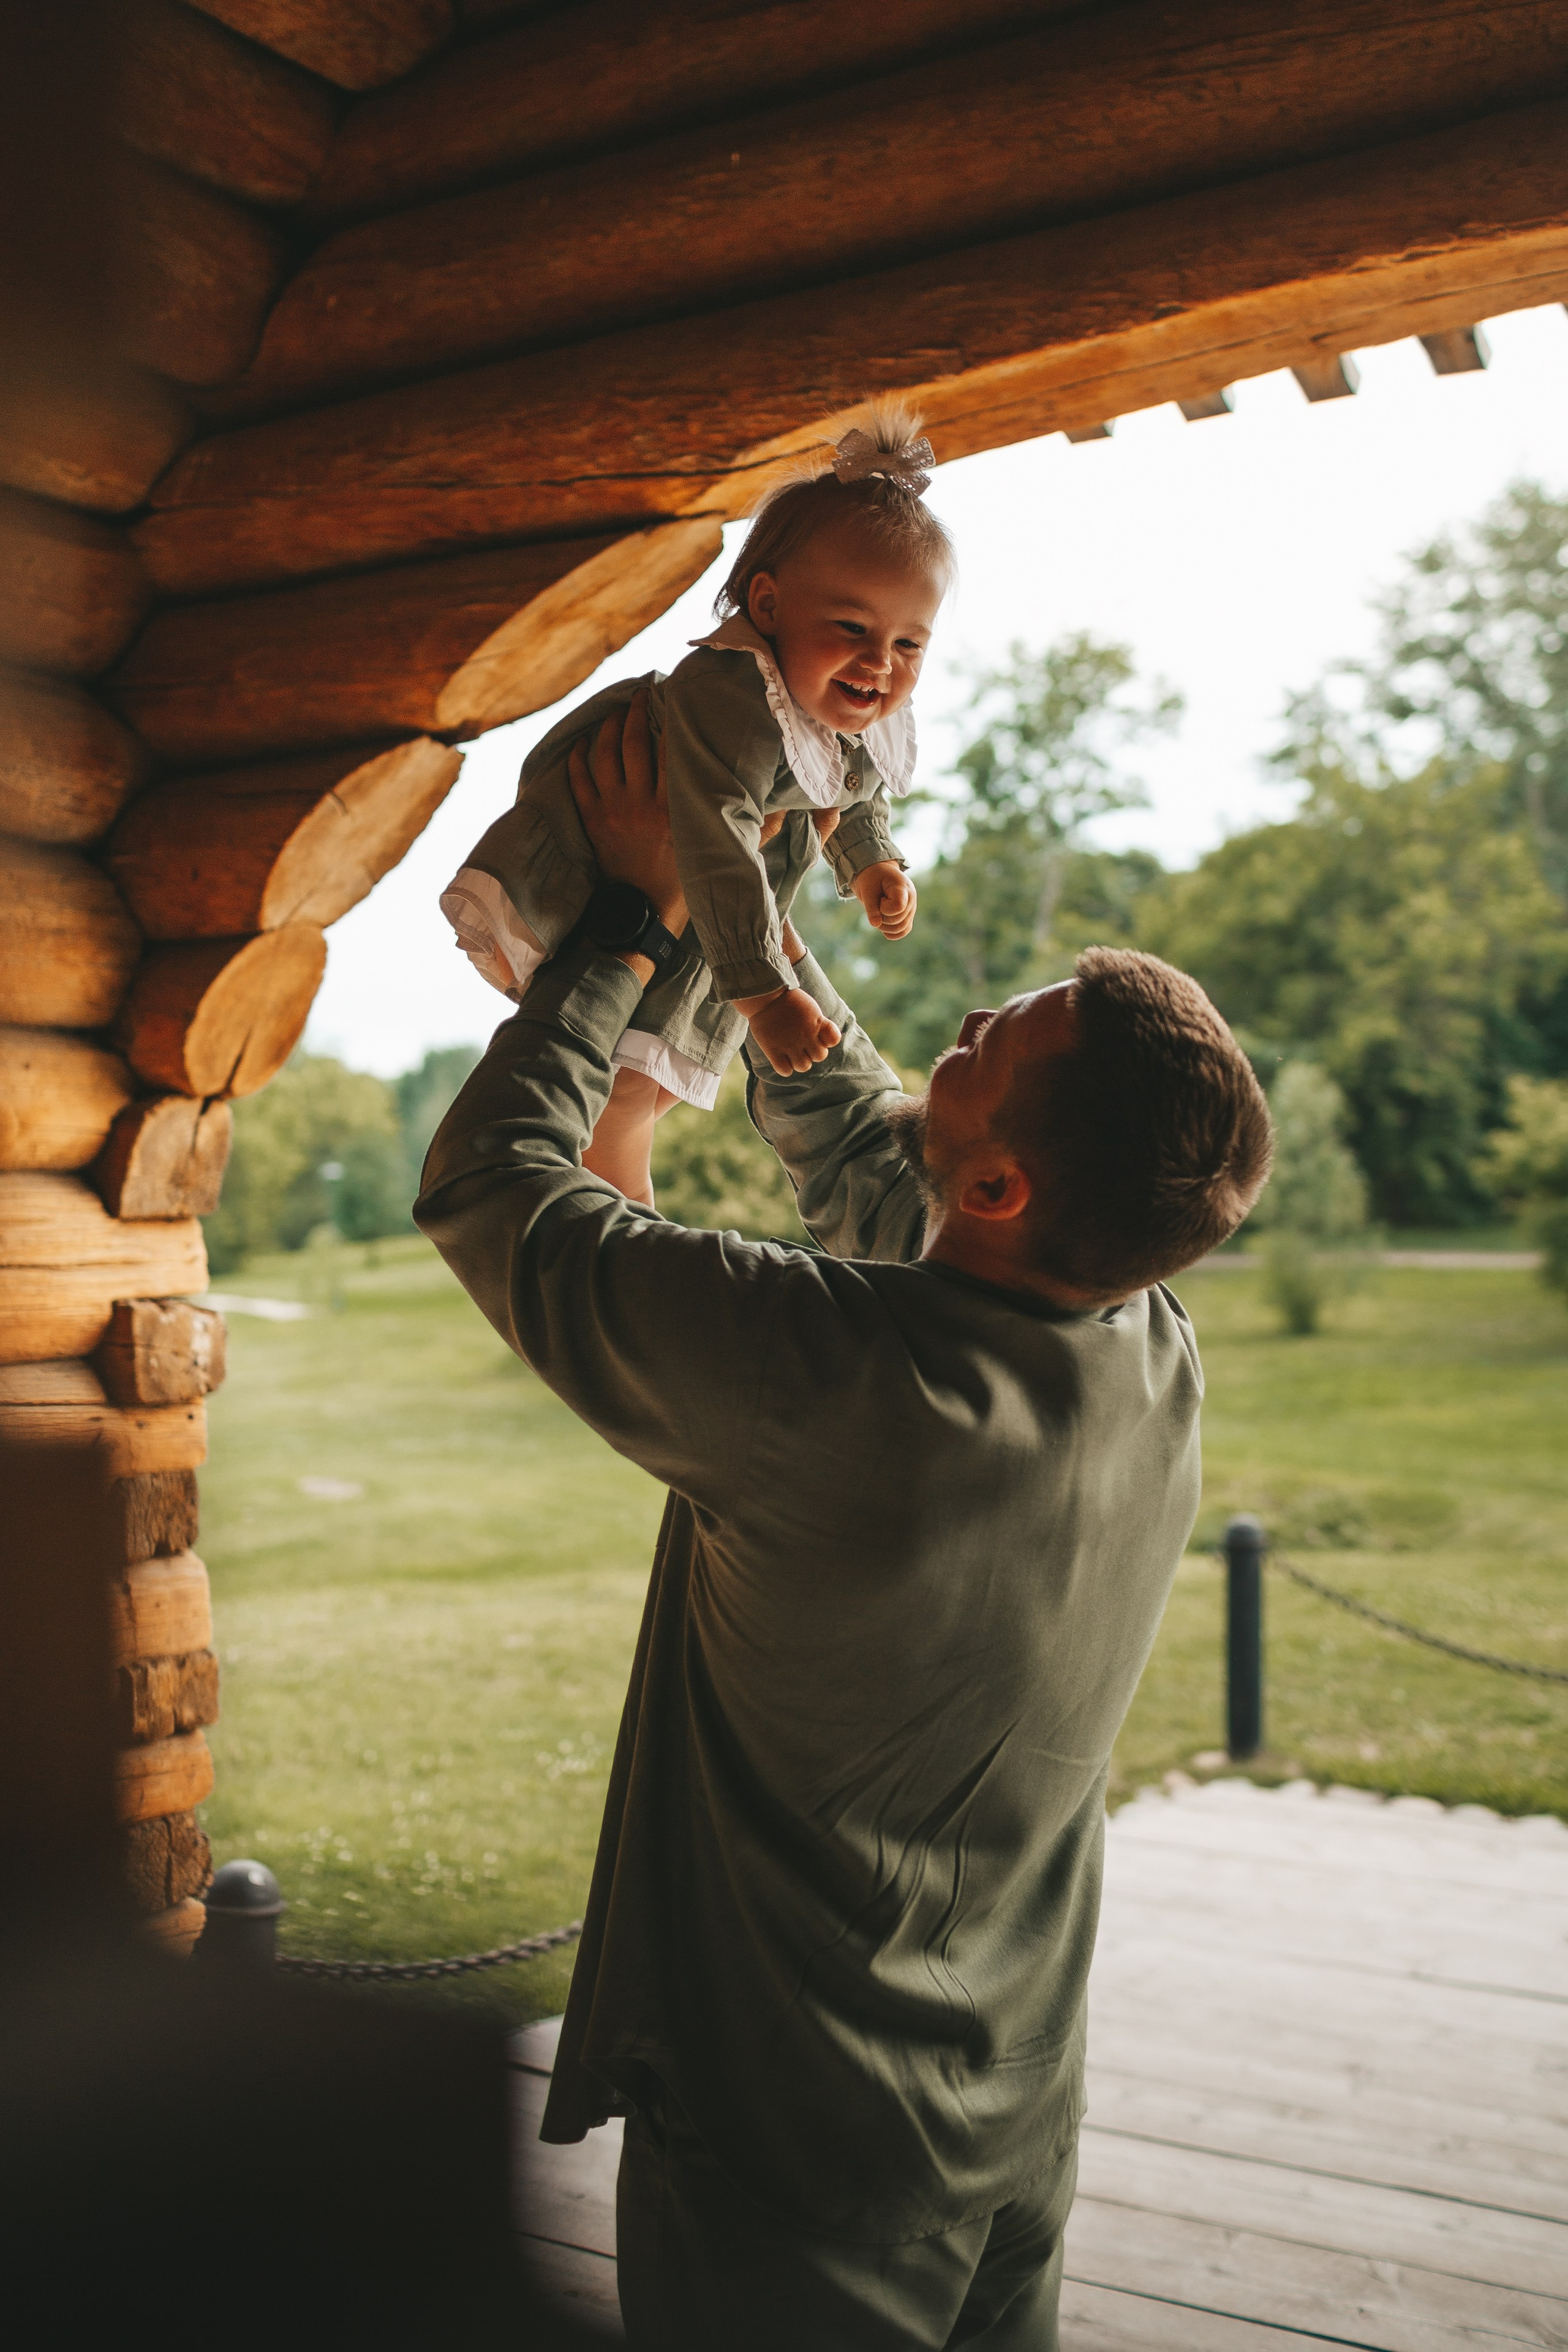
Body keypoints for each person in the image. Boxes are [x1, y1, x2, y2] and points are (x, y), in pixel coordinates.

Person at [415, 700, 1273, 2349]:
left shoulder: (835, 1383)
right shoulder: (1145, 1347)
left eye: (981, 1046)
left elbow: (499, 1189)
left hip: (798, 2154)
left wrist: (629, 917)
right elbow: (887, 1152)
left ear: (1013, 1189)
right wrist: (745, 934)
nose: (951, 1027)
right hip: (1010, 2123)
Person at [439, 405, 952, 1204]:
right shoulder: (737, 702)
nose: (879, 662)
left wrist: (872, 858)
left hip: (721, 910)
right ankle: (617, 1217)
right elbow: (712, 841)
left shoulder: (835, 704)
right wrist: (767, 993)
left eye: (909, 643)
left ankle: (612, 1213)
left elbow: (850, 784)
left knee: (657, 1078)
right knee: (631, 1077)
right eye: (851, 627)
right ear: (770, 606)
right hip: (663, 878)